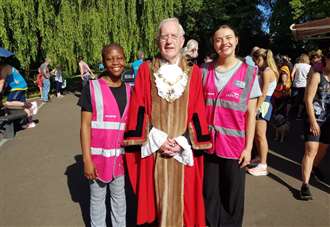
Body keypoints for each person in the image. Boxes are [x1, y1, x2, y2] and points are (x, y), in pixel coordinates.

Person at [123, 17, 211, 227]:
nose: (169, 41)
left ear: (182, 41)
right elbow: (138, 107)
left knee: (185, 206)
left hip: (183, 149)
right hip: (154, 149)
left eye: (173, 36)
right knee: (156, 204)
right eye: (164, 37)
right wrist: (158, 138)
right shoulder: (145, 70)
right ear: (158, 41)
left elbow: (198, 110)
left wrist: (183, 141)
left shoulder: (195, 72)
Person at [202, 24, 261, 227]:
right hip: (207, 146)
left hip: (235, 149)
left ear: (236, 40)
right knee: (209, 195)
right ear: (214, 43)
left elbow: (251, 115)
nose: (223, 43)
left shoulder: (250, 73)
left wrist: (248, 148)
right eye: (218, 39)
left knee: (232, 199)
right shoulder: (204, 71)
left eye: (228, 38)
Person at [78, 43, 130, 226]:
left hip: (120, 160)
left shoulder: (131, 90)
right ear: (104, 62)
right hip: (98, 160)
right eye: (110, 59)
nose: (115, 62)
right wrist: (87, 160)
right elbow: (85, 126)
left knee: (119, 200)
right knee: (98, 201)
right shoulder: (92, 88)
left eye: (119, 58)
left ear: (125, 60)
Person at [300, 50, 330, 200]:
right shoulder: (318, 76)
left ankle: (314, 168)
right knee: (311, 150)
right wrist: (312, 121)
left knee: (323, 150)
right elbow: (308, 99)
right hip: (315, 118)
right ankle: (305, 185)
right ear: (327, 60)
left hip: (329, 121)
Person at [247, 48, 279, 176]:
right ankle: (260, 158)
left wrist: (255, 109)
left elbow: (263, 92)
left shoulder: (267, 72)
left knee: (260, 135)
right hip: (263, 103)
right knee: (257, 134)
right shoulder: (267, 71)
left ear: (264, 59)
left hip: (263, 104)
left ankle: (263, 165)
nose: (256, 62)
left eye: (258, 60)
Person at [0, 63, 38, 128]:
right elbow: (5, 84)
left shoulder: (4, 69)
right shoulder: (8, 66)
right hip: (21, 86)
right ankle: (31, 122)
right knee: (23, 107)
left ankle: (31, 105)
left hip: (18, 87)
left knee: (8, 103)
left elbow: (2, 83)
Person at [289, 54, 311, 119]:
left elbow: (292, 75)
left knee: (294, 100)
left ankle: (291, 114)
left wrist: (293, 81)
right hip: (304, 85)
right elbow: (309, 76)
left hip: (296, 85)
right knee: (302, 100)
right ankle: (299, 114)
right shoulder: (309, 66)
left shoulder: (296, 65)